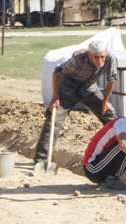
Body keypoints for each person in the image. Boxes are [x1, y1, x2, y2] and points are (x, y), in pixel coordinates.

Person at [33, 38, 118, 170]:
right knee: (53, 120)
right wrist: (55, 98)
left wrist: (105, 101)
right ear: (90, 55)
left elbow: (111, 80)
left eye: (102, 56)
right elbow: (56, 74)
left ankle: (122, 149)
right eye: (96, 57)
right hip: (68, 88)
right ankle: (41, 159)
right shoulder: (78, 59)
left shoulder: (110, 58)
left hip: (88, 88)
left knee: (110, 116)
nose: (100, 61)